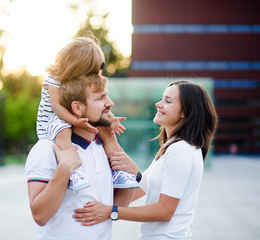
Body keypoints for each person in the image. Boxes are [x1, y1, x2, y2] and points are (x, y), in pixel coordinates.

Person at [73, 80, 218, 240]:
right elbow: (137, 189)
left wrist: (111, 211)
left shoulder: (180, 150)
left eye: (167, 101)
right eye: (162, 98)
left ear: (185, 112)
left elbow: (164, 212)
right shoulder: (173, 147)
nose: (158, 104)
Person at [26, 74, 136, 239]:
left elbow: (116, 205)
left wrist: (133, 174)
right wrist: (65, 169)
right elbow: (40, 216)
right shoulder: (47, 148)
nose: (110, 103)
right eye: (101, 98)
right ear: (77, 108)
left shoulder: (103, 147)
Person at [36, 36, 139, 191]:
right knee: (63, 130)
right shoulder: (54, 79)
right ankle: (72, 171)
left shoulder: (81, 82)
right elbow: (57, 107)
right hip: (52, 120)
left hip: (71, 115)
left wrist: (110, 120)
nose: (98, 71)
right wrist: (76, 122)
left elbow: (96, 105)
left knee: (106, 130)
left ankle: (118, 172)